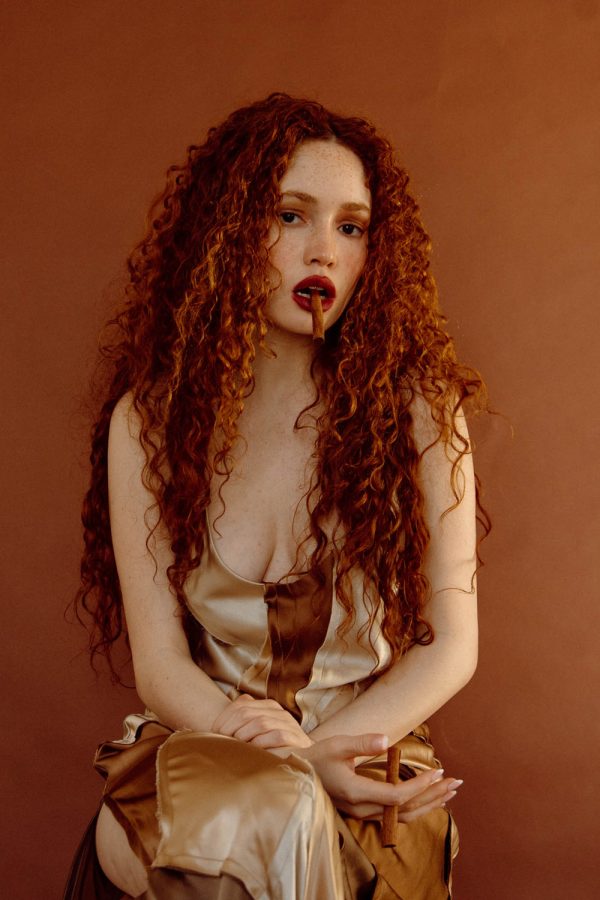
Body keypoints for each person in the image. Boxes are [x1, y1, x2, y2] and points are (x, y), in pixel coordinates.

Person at [65, 93, 487, 900]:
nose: (323, 250)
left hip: (367, 749)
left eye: (352, 227)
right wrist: (288, 758)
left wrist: (326, 752)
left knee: (271, 820)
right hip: (204, 744)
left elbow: (452, 645)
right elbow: (161, 664)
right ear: (227, 233)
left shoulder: (422, 414)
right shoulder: (149, 423)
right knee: (258, 810)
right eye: (290, 216)